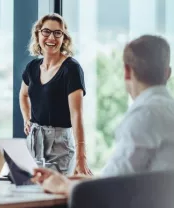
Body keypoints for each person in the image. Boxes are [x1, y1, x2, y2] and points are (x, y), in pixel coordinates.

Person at [32, 34, 174, 196]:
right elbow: (119, 178)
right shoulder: (167, 111)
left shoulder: (144, 116)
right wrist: (67, 180)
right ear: (167, 73)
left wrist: (62, 186)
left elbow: (110, 190)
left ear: (127, 72)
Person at [19, 13, 91, 175]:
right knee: (32, 193)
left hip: (60, 144)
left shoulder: (71, 69)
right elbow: (23, 95)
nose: (51, 37)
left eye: (57, 33)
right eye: (46, 31)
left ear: (64, 38)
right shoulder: (32, 67)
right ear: (38, 35)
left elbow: (77, 115)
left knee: (57, 196)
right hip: (34, 140)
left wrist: (81, 158)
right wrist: (26, 118)